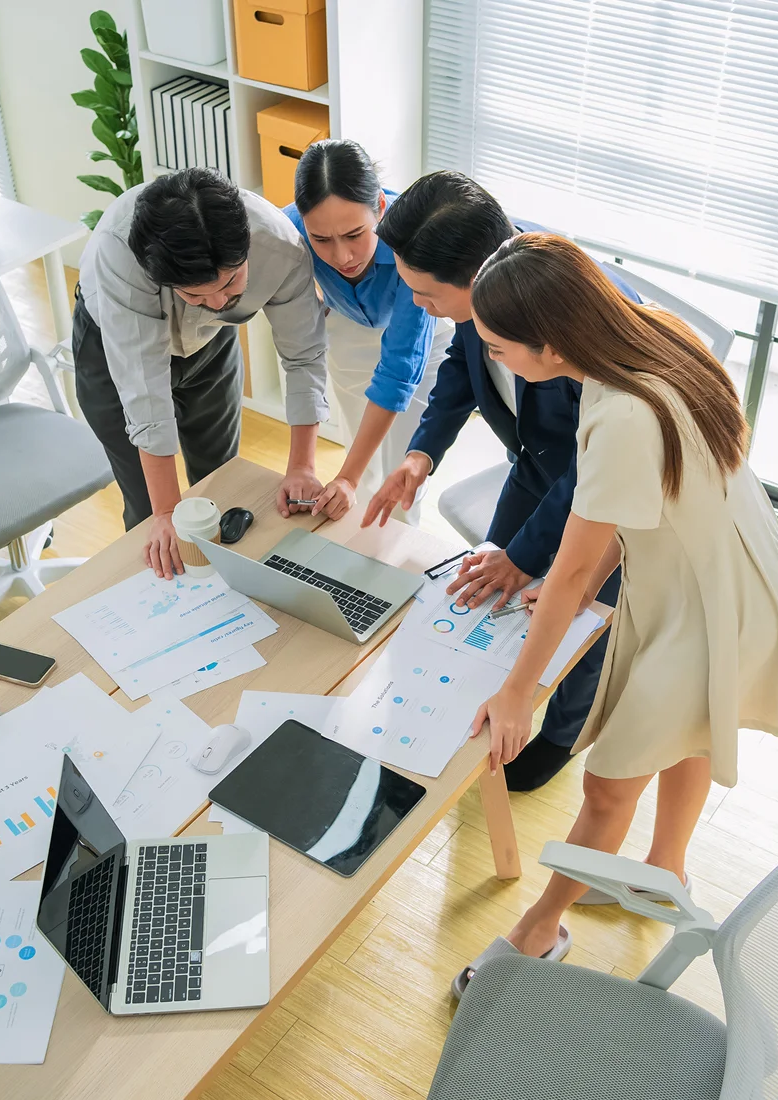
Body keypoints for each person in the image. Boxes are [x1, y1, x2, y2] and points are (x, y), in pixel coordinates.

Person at [453, 232, 778, 993]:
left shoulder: (621, 411)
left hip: (706, 594)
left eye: (502, 350)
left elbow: (571, 570)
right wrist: (579, 575)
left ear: (552, 340)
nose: (497, 362)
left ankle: (538, 932)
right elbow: (624, 516)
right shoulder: (654, 335)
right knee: (694, 726)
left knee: (606, 786)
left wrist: (517, 692)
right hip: (730, 556)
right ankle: (661, 872)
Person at [362, 171, 639, 790]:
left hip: (610, 492)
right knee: (489, 588)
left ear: (476, 277)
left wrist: (524, 555)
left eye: (428, 297)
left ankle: (563, 734)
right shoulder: (486, 292)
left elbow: (593, 470)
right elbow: (462, 365)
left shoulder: (571, 324)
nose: (417, 307)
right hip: (537, 462)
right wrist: (421, 453)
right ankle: (489, 696)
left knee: (587, 619)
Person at [74, 168, 328, 578]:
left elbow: (303, 357)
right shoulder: (120, 252)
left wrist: (302, 466)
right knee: (149, 513)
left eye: (231, 284)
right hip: (111, 350)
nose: (216, 301)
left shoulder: (280, 247)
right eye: (194, 293)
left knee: (219, 481)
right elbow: (145, 398)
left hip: (211, 344)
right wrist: (167, 515)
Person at [283, 140, 453, 525]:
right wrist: (347, 477)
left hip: (420, 330)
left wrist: (346, 477)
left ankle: (401, 561)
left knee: (400, 469)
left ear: (379, 207)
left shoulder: (415, 239)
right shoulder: (288, 228)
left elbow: (397, 371)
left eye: (355, 234)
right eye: (321, 240)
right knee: (360, 455)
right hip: (347, 328)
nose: (342, 257)